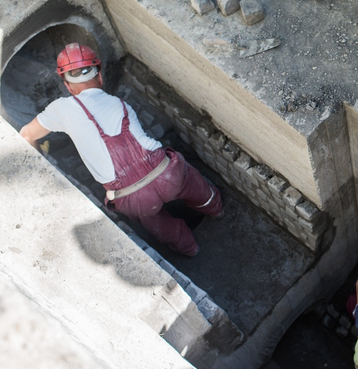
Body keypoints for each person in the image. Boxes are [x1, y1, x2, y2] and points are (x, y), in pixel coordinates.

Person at [20, 43, 223, 257]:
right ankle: (215, 207)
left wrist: (43, 160)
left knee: (155, 221)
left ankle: (189, 249)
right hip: (166, 174)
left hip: (131, 197)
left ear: (68, 87)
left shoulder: (61, 108)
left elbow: (26, 135)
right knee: (190, 181)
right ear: (100, 78)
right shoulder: (120, 104)